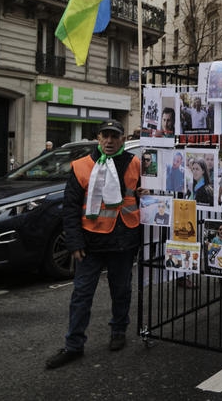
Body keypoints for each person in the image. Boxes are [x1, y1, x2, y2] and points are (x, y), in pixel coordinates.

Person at [45, 119, 142, 369]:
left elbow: (144, 199)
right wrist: (74, 242)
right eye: (105, 135)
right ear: (98, 138)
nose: (109, 141)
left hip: (123, 241)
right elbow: (70, 208)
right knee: (81, 296)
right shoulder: (81, 166)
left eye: (114, 136)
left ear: (122, 139)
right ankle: (74, 345)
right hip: (90, 243)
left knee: (121, 291)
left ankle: (118, 331)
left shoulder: (135, 163)